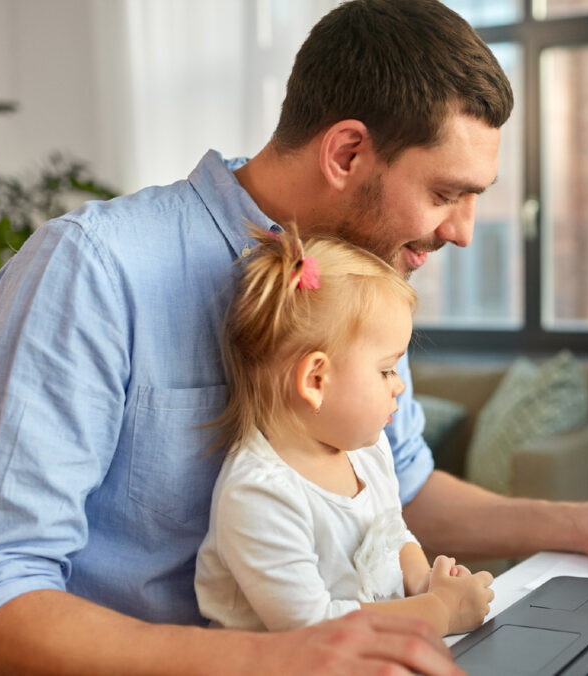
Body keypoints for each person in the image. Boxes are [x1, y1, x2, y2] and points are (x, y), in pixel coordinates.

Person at [0, 1, 588, 674]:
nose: (461, 231)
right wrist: (276, 660)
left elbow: (407, 489)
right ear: (348, 152)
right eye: (446, 193)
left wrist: (581, 525)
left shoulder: (360, 283)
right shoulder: (93, 269)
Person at [195, 227, 494, 636]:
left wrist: (426, 583)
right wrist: (438, 611)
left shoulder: (367, 451)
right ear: (316, 380)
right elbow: (311, 627)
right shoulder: (260, 494)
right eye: (387, 369)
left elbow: (393, 534)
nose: (399, 385)